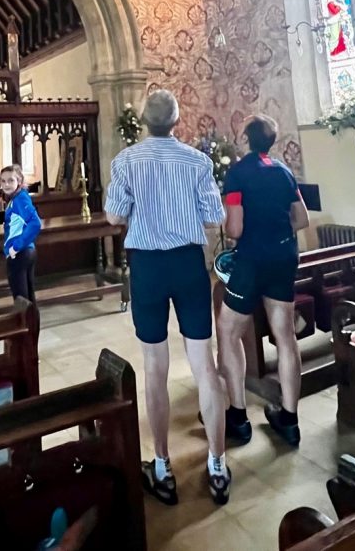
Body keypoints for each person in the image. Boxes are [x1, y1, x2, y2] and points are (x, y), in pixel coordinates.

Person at [104, 90, 232, 507]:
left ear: (143, 121)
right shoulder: (197, 160)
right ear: (178, 120)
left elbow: (113, 216)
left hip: (148, 268)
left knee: (154, 367)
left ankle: (161, 465)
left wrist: (145, 207)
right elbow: (216, 218)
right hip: (188, 265)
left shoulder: (126, 161)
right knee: (205, 366)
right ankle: (217, 462)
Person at [216, 114, 310, 447]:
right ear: (272, 140)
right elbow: (301, 219)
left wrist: (231, 228)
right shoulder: (284, 171)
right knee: (285, 335)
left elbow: (236, 229)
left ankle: (238, 417)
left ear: (246, 139)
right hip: (284, 257)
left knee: (228, 331)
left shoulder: (238, 174)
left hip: (252, 260)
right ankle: (289, 418)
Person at [0, 164, 40, 304]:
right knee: (28, 297)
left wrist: (15, 247)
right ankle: (32, 325)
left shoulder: (21, 199)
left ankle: (25, 325)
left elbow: (35, 223)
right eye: (3, 181)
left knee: (21, 299)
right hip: (25, 251)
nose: (6, 184)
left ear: (19, 181)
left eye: (10, 180)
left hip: (20, 253)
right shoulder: (15, 199)